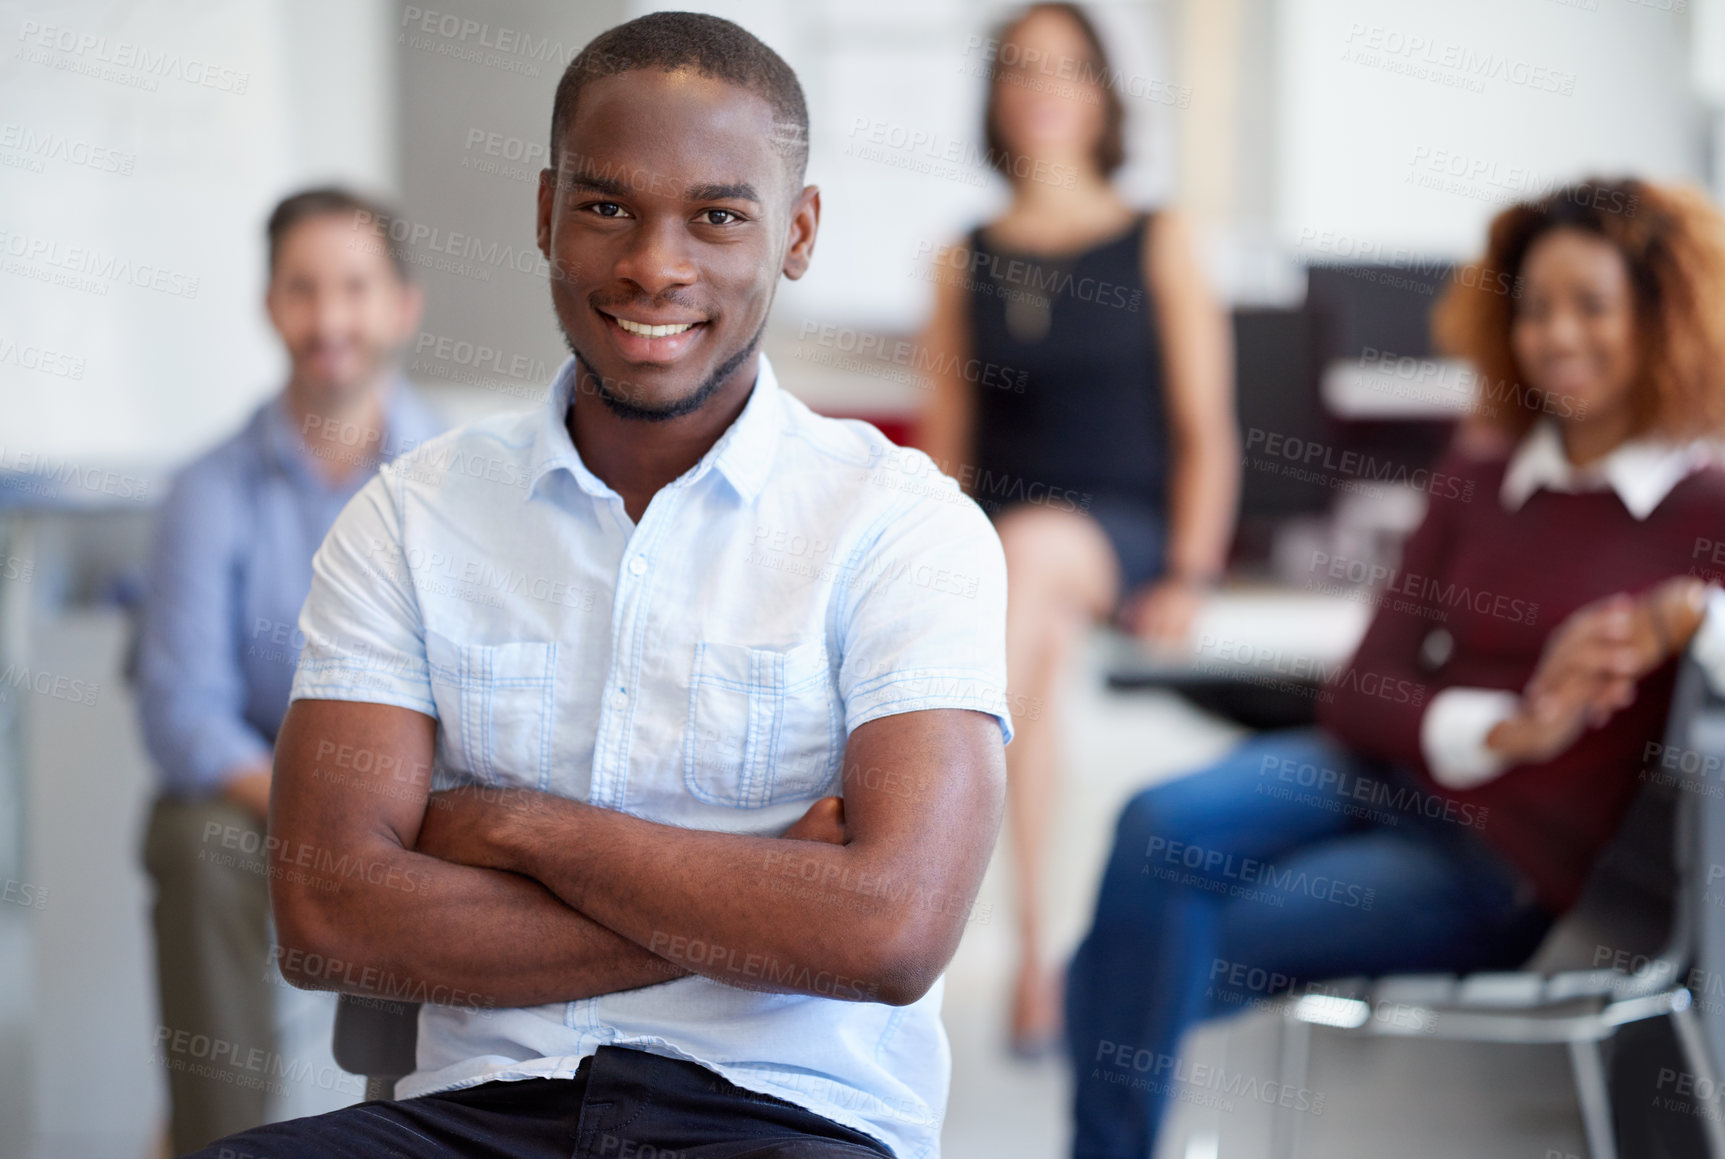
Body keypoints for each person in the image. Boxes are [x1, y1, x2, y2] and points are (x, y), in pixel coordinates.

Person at [184, 12, 1011, 1159]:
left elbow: (892, 932)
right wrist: (774, 892)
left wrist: (521, 828)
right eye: (608, 205)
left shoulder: (904, 527)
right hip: (468, 1115)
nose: (654, 265)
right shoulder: (409, 517)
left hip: (788, 1122)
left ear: (798, 233)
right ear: (544, 213)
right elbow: (326, 914)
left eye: (719, 216)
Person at [1063, 176, 1725, 1158]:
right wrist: (1504, 729)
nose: (1556, 335)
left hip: (1496, 864)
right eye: (1535, 307)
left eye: (1592, 305)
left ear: (1660, 315)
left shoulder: (1699, 506)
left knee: (1153, 947)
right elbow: (1359, 690)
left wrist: (1691, 610)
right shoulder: (1482, 471)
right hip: (1379, 769)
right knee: (1154, 825)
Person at [916, 2, 1238, 1052]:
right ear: (997, 99)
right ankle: (1042, 956)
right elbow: (946, 451)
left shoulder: (1165, 240)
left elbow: (1206, 432)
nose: (1045, 87)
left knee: (1040, 559)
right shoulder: (963, 259)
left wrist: (1190, 571)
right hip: (1009, 547)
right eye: (1022, 69)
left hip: (1122, 530)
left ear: (1102, 94)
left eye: (1068, 69)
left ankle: (915, 840)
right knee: (1035, 641)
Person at [136, 188, 444, 1151]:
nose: (330, 320)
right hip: (260, 798)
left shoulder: (462, 475)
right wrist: (317, 814)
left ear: (403, 305)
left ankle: (424, 1128)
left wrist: (388, 819)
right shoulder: (207, 489)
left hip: (422, 802)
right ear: (270, 306)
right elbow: (184, 712)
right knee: (191, 839)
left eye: (354, 288)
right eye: (302, 289)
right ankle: (215, 1138)